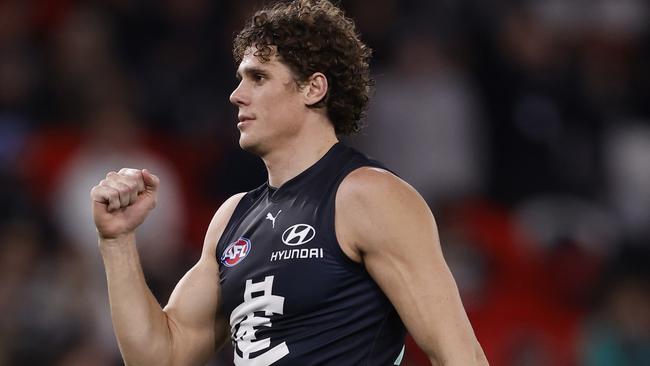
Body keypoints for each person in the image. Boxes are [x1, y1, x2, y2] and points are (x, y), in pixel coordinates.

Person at [90, 1, 489, 365]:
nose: (236, 95)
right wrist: (117, 241)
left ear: (313, 88)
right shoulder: (233, 217)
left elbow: (458, 355)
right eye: (240, 79)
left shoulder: (368, 196)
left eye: (258, 77)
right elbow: (161, 357)